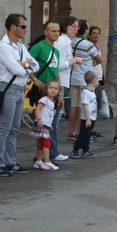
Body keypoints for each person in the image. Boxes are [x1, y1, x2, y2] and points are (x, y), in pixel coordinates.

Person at [0, 13, 39, 176]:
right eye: (23, 26)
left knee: (14, 128)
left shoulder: (20, 47)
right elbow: (17, 70)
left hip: (19, 90)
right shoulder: (3, 46)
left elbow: (36, 65)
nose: (26, 30)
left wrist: (24, 64)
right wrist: (25, 65)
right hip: (8, 89)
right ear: (13, 27)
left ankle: (11, 162)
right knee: (4, 128)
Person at [28, 20, 69, 162]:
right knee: (43, 124)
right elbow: (27, 64)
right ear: (46, 32)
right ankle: (43, 156)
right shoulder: (38, 47)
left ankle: (51, 152)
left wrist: (60, 93)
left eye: (58, 31)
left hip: (53, 90)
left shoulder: (56, 51)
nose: (56, 33)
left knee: (53, 122)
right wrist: (35, 80)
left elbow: (56, 72)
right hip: (41, 89)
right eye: (53, 31)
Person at [68, 20, 102, 141]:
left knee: (74, 106)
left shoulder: (71, 42)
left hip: (74, 77)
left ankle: (72, 132)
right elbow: (99, 59)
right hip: (85, 78)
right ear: (85, 30)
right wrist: (93, 62)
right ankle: (83, 133)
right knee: (84, 107)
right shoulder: (88, 44)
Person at [54, 16, 84, 119]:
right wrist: (74, 60)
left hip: (63, 81)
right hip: (59, 81)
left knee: (56, 115)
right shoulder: (62, 41)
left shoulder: (66, 41)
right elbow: (57, 65)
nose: (75, 29)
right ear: (66, 26)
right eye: (73, 26)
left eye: (77, 27)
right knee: (55, 116)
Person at [29, 80, 60, 171]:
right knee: (46, 143)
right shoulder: (44, 99)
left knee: (41, 144)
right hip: (41, 124)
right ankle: (46, 162)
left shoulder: (52, 101)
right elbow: (37, 110)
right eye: (51, 88)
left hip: (45, 125)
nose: (53, 90)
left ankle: (38, 161)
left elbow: (48, 114)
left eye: (56, 88)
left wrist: (49, 124)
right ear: (46, 89)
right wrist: (39, 119)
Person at [71, 71, 99, 158]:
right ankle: (75, 149)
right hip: (87, 118)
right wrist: (87, 118)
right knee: (84, 134)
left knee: (88, 135)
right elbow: (85, 105)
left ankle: (85, 150)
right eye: (98, 79)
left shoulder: (91, 92)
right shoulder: (86, 92)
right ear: (94, 81)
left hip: (92, 117)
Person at [87, 26, 105, 138]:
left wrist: (103, 80)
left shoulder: (97, 47)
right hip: (91, 78)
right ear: (89, 35)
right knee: (90, 106)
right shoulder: (88, 47)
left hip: (98, 78)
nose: (96, 35)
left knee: (96, 106)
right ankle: (87, 129)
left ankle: (92, 128)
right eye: (93, 33)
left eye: (98, 33)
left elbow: (100, 65)